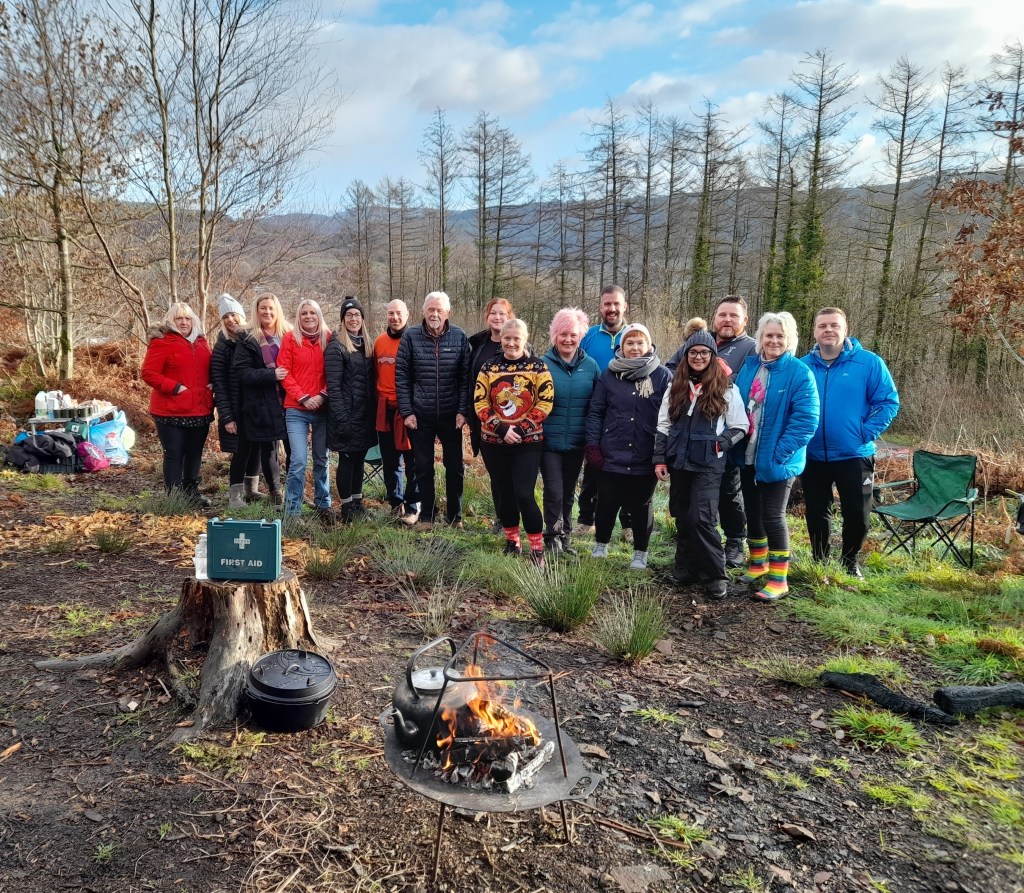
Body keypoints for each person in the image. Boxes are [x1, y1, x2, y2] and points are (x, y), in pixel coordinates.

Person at [801, 307, 900, 578]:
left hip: (854, 454)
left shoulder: (869, 363)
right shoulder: (803, 366)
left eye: (834, 325)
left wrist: (864, 433)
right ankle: (819, 561)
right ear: (815, 331)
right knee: (817, 512)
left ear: (845, 330)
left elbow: (888, 402)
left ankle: (849, 561)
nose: (828, 330)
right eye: (822, 326)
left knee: (857, 514)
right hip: (812, 455)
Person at [654, 324, 747, 599]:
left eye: (704, 352)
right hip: (679, 461)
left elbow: (740, 426)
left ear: (712, 355)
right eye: (693, 352)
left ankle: (715, 576)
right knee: (682, 516)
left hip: (708, 464)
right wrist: (659, 459)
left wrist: (719, 444)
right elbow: (663, 425)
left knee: (702, 518)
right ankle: (685, 570)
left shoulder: (726, 387)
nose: (698, 357)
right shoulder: (675, 385)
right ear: (686, 355)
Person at [732, 312, 819, 602]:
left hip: (778, 459)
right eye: (769, 335)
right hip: (748, 454)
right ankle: (758, 564)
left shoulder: (799, 372)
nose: (774, 340)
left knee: (773, 515)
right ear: (760, 337)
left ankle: (779, 579)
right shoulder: (750, 366)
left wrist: (779, 453)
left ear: (790, 339)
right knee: (752, 511)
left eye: (780, 336)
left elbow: (806, 421)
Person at [667, 296, 757, 568]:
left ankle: (735, 541)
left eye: (733, 315)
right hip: (692, 433)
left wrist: (719, 380)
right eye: (722, 315)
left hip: (727, 432)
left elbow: (750, 383)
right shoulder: (700, 342)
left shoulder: (751, 348)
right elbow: (671, 368)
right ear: (714, 318)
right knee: (692, 499)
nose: (727, 320)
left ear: (745, 320)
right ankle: (695, 546)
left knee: (729, 491)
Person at [585, 323, 671, 569]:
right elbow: (596, 412)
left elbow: (669, 416)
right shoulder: (609, 375)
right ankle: (601, 545)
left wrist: (663, 453)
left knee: (642, 505)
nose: (635, 347)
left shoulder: (662, 376)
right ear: (621, 347)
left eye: (639, 342)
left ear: (649, 345)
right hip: (611, 451)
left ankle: (640, 553)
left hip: (646, 452)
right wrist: (593, 445)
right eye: (629, 343)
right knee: (606, 501)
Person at [474, 319, 554, 566]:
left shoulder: (538, 367)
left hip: (527, 442)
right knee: (505, 494)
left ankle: (537, 548)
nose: (511, 343)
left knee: (524, 494)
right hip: (493, 442)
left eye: (516, 338)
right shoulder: (489, 367)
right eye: (507, 338)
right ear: (501, 339)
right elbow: (480, 401)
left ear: (525, 339)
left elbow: (545, 401)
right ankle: (512, 541)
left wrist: (519, 429)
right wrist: (500, 428)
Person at [395, 291, 471, 529]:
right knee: (423, 467)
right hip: (420, 415)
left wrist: (463, 410)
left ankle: (455, 517)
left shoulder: (459, 337)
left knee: (455, 468)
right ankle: (427, 516)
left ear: (448, 313)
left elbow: (465, 378)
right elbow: (402, 376)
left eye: (439, 310)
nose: (434, 314)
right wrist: (407, 412)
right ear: (423, 312)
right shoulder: (410, 336)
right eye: (430, 309)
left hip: (451, 415)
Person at [540, 307, 600, 555]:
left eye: (573, 335)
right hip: (548, 441)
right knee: (554, 490)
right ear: (555, 335)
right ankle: (552, 536)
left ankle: (565, 536)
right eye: (563, 334)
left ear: (580, 336)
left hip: (577, 441)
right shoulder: (542, 364)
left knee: (568, 492)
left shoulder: (591, 366)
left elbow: (598, 405)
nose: (568, 339)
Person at [141, 301, 214, 506]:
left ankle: (192, 493)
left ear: (193, 320)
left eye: (187, 318)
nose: (183, 322)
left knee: (194, 453)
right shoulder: (162, 341)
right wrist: (175, 387)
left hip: (200, 408)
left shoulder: (201, 341)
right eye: (178, 318)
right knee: (174, 454)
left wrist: (213, 381)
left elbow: (208, 367)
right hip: (170, 410)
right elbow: (148, 373)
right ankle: (174, 497)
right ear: (170, 321)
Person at [576, 284, 630, 540]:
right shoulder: (588, 336)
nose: (612, 308)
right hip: (594, 412)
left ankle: (629, 524)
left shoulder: (634, 335)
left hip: (626, 414)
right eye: (607, 304)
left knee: (629, 469)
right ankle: (586, 519)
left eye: (616, 304)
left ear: (624, 306)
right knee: (592, 468)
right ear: (600, 307)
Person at [233, 293, 291, 506]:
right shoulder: (248, 339)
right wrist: (271, 374)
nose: (267, 312)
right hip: (263, 403)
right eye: (263, 308)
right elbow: (242, 372)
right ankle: (276, 493)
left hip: (291, 400)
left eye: (271, 308)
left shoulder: (290, 334)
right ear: (256, 312)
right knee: (270, 449)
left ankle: (295, 491)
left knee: (295, 450)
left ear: (278, 311)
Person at [324, 297, 377, 522]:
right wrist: (342, 418)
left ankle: (357, 502)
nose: (353, 318)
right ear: (343, 319)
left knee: (359, 459)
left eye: (357, 315)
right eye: (349, 315)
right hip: (345, 415)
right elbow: (334, 387)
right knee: (347, 461)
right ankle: (346, 508)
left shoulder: (367, 345)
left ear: (362, 318)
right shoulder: (336, 347)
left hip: (364, 416)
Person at [278, 299, 332, 520]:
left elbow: (335, 371)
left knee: (321, 459)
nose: (308, 316)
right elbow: (284, 372)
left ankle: (323, 505)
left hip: (322, 407)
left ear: (319, 316)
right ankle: (292, 511)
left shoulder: (329, 338)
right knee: (299, 460)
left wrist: (322, 395)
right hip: (296, 409)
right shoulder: (290, 339)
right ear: (298, 317)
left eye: (312, 313)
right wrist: (302, 397)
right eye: (304, 313)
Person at [468, 299, 516, 529]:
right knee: (496, 474)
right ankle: (502, 519)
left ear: (510, 317)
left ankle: (514, 519)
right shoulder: (477, 344)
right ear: (487, 316)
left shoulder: (519, 343)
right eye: (493, 313)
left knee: (514, 473)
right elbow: (469, 381)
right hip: (484, 419)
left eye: (502, 314)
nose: (497, 317)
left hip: (513, 421)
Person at [373, 299, 419, 523]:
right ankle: (395, 502)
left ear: (407, 314)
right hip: (385, 409)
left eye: (399, 313)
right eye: (391, 313)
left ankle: (413, 506)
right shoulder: (379, 342)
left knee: (413, 461)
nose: (395, 317)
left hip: (409, 410)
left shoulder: (415, 340)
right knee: (390, 461)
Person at [209, 294, 256, 509]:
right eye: (225, 316)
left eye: (233, 315)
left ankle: (251, 489)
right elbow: (219, 384)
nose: (230, 319)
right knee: (241, 450)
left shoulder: (252, 339)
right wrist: (227, 416)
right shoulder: (222, 346)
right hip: (235, 408)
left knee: (256, 448)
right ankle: (235, 497)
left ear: (242, 316)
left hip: (255, 406)